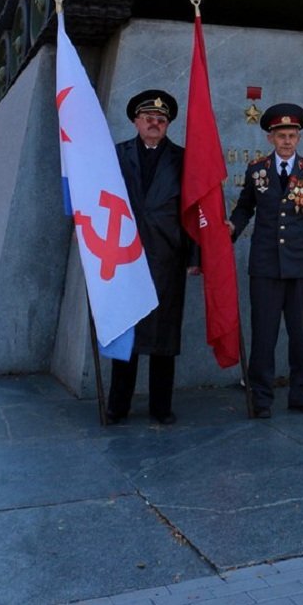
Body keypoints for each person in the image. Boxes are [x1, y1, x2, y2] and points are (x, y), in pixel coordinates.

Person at [229, 103, 303, 418]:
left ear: (298, 138)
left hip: (302, 267)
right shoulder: (257, 170)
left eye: (292, 135)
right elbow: (245, 207)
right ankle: (261, 398)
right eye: (281, 135)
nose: (287, 141)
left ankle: (300, 394)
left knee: (299, 335)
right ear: (271, 138)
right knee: (264, 335)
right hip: (265, 267)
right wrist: (231, 229)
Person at [107, 89, 197, 426]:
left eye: (161, 119)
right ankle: (119, 405)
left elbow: (192, 210)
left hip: (167, 257)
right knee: (126, 334)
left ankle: (161, 406)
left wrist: (194, 256)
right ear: (136, 121)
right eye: (149, 118)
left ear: (168, 124)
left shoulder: (184, 158)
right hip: (125, 257)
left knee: (163, 337)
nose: (154, 123)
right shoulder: (116, 154)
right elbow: (102, 196)